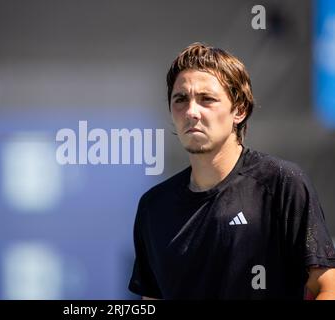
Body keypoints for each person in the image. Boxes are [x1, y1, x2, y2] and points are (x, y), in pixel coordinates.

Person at [128, 43, 335, 300]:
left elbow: (327, 287)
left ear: (239, 110)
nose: (192, 111)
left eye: (207, 99)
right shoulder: (153, 206)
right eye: (180, 99)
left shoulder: (282, 183)